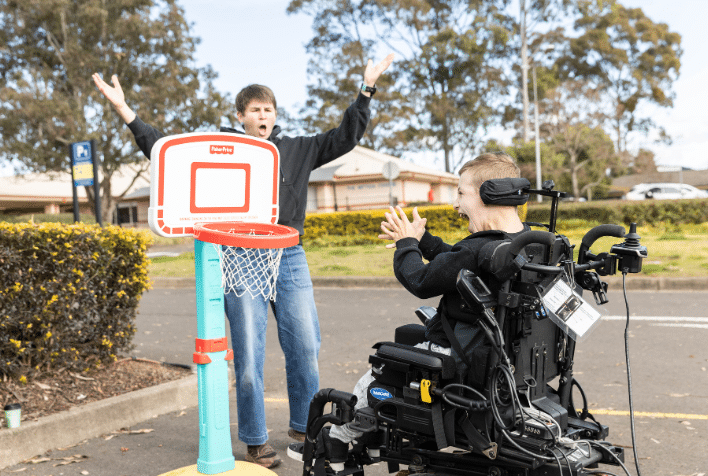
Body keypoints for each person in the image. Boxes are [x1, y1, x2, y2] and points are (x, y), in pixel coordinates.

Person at [92, 53, 394, 468]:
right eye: (255, 109)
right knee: (248, 355)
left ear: (275, 116)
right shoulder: (227, 151)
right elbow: (165, 151)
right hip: (240, 257)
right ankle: (254, 438)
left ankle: (304, 428)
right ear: (241, 117)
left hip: (288, 255)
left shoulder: (300, 149)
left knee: (306, 345)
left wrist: (366, 88)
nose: (263, 115)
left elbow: (346, 135)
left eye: (269, 109)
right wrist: (126, 111)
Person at [288, 152, 530, 467]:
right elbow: (455, 261)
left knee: (378, 373)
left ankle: (337, 439)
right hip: (500, 358)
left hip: (460, 361)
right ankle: (371, 436)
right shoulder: (522, 243)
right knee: (408, 335)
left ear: (489, 193)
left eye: (460, 193)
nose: (455, 204)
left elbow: (420, 279)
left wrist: (406, 245)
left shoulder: (477, 250)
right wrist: (423, 241)